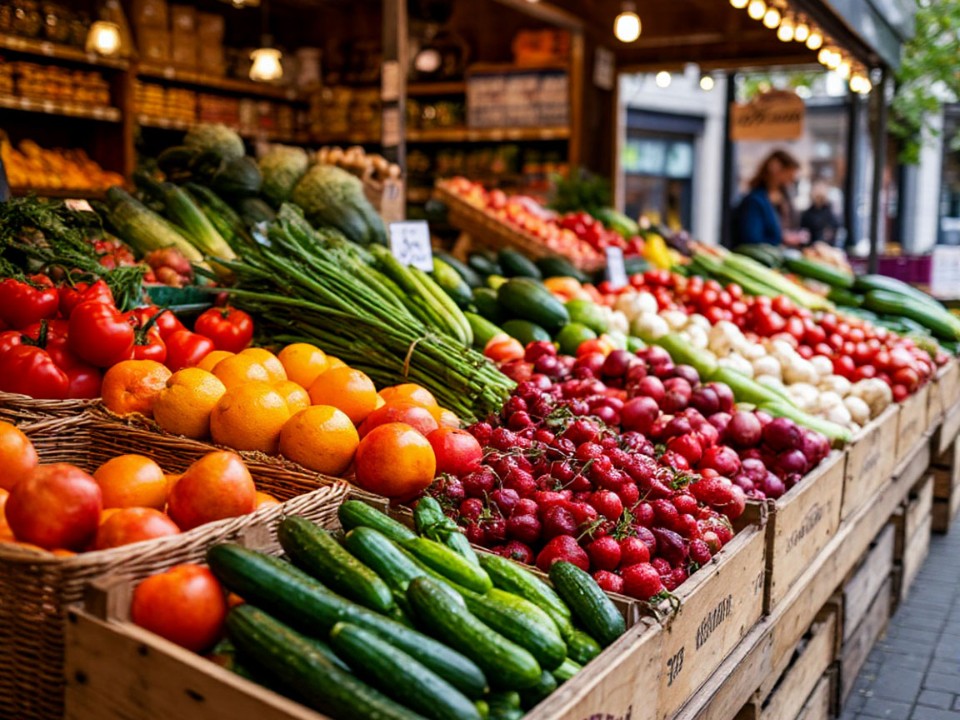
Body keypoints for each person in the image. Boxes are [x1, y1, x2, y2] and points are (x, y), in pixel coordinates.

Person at [734, 149, 807, 246]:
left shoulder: (784, 198)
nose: (792, 180)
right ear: (775, 168)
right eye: (789, 175)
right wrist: (782, 238)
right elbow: (751, 239)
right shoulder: (755, 201)